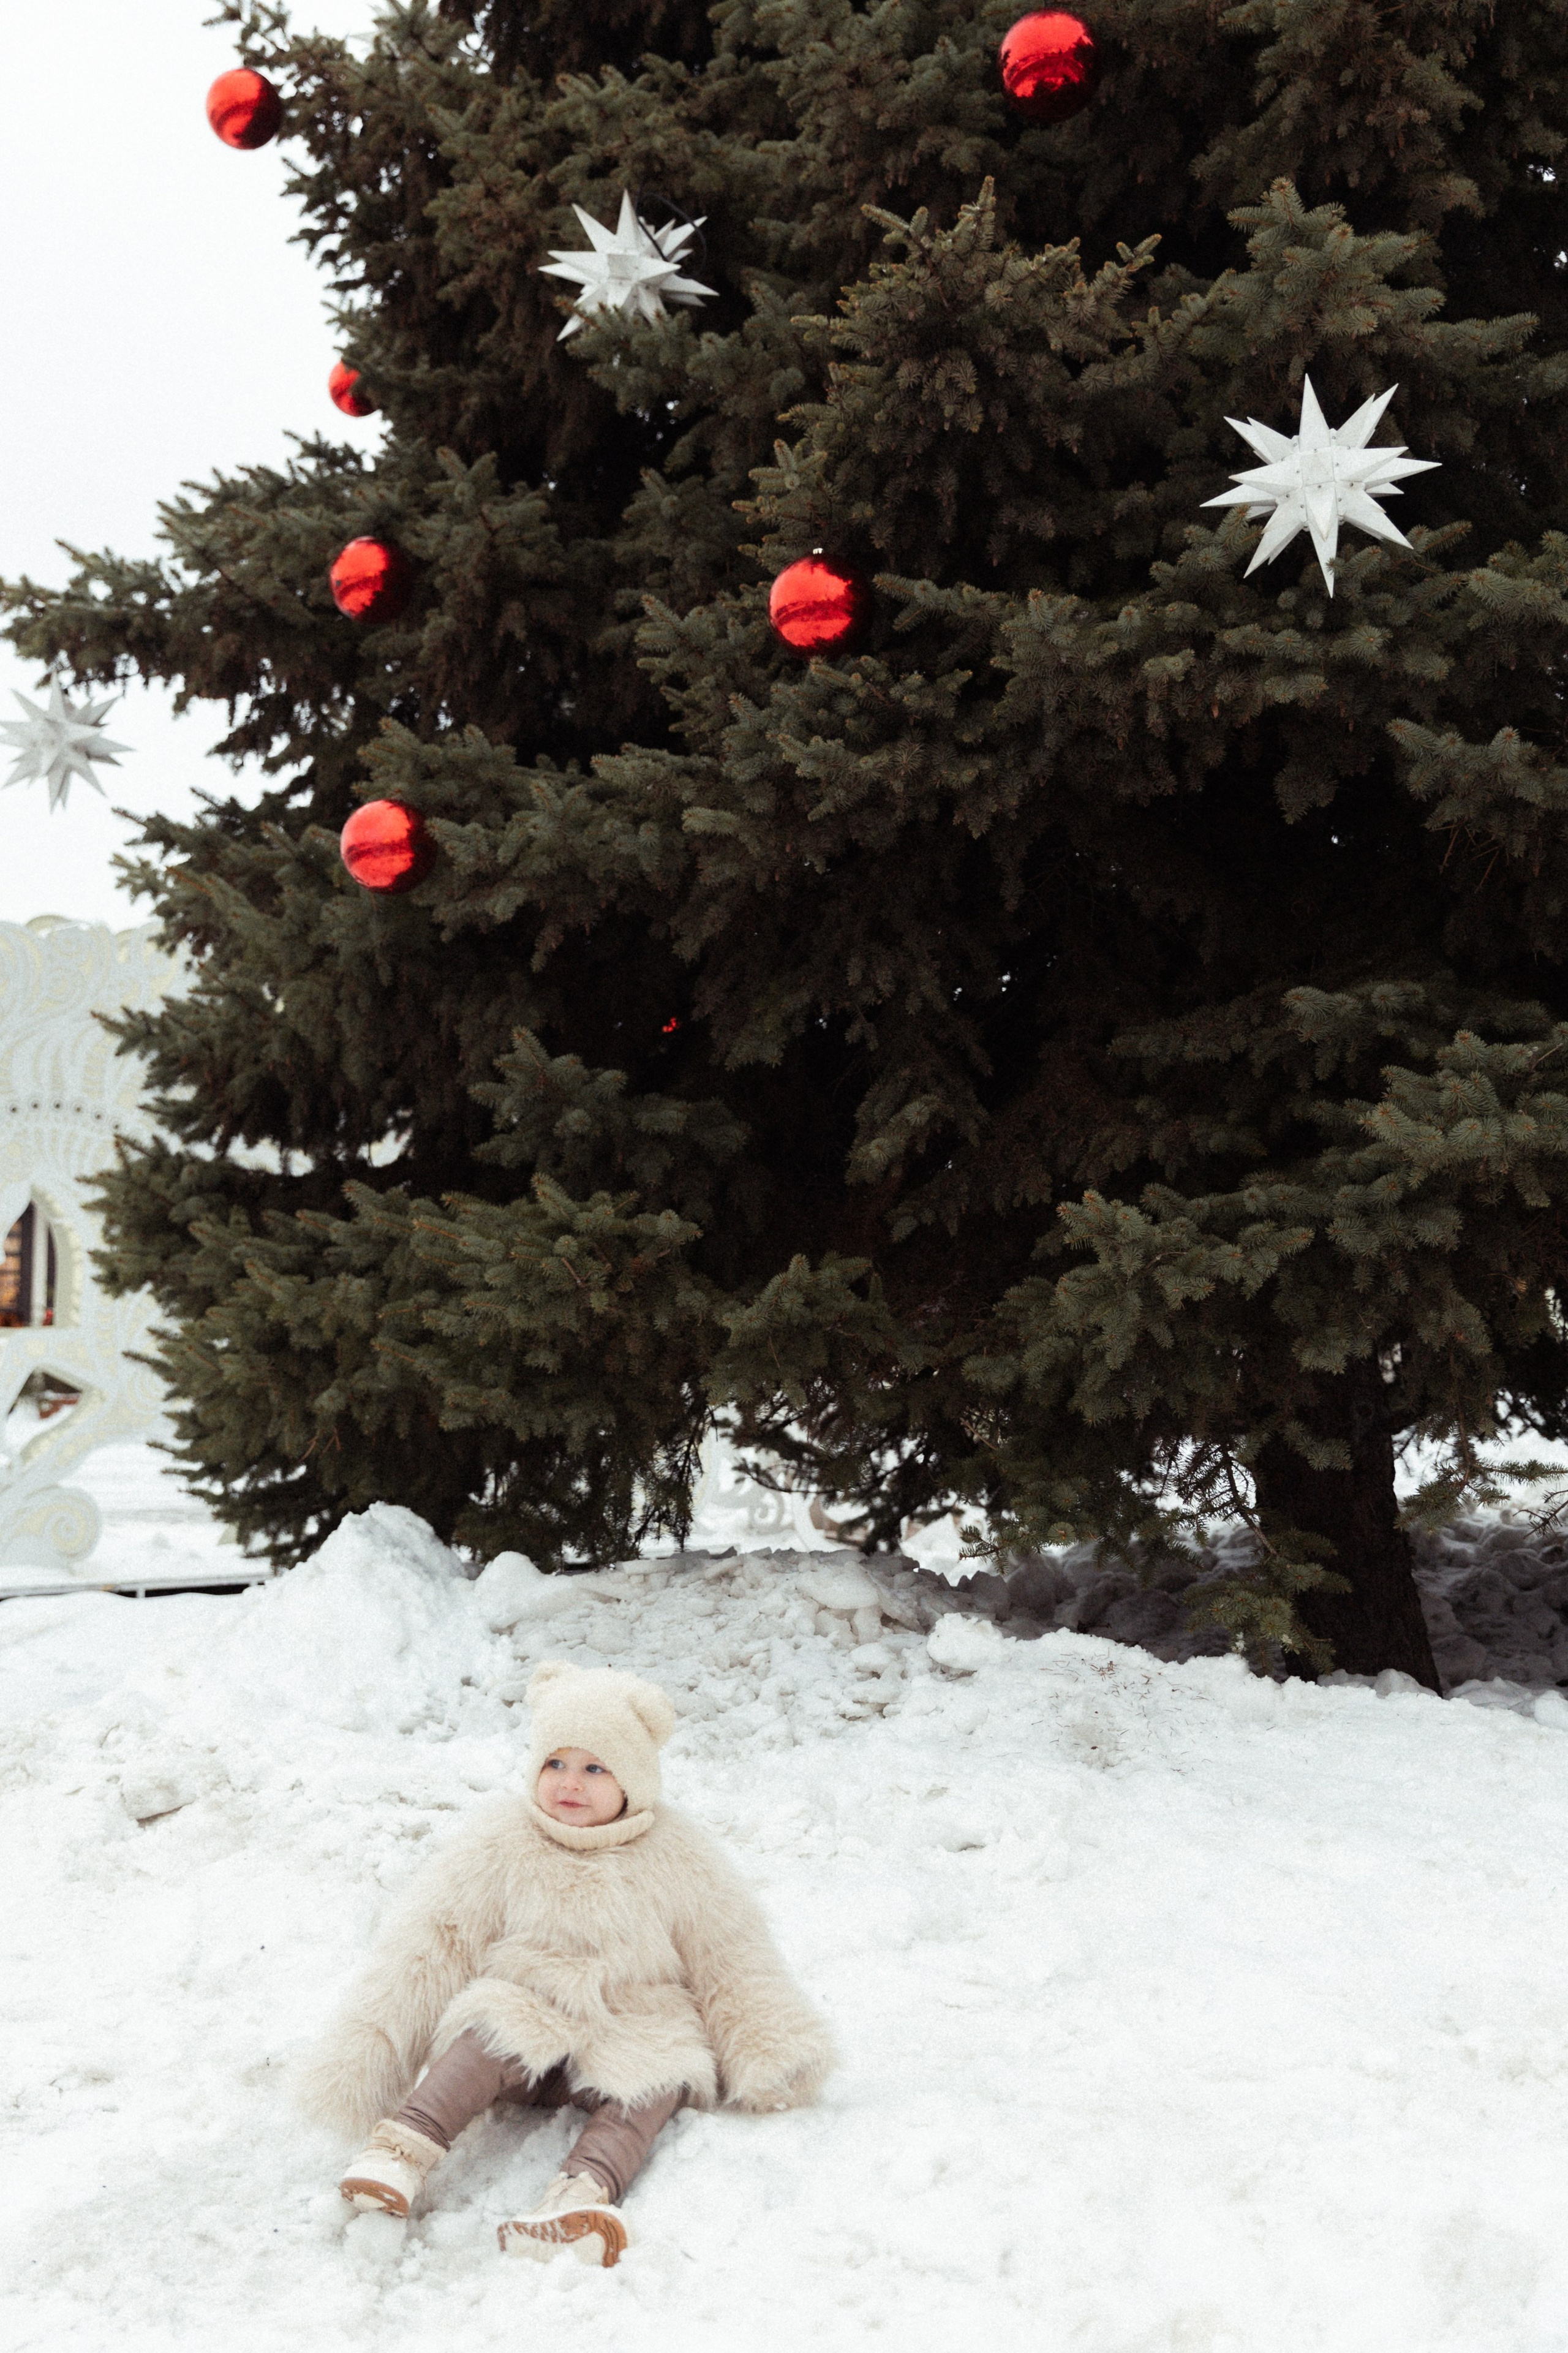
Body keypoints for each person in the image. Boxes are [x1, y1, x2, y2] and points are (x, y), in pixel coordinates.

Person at [298, 1660, 833, 2266]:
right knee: (487, 2029)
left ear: (632, 1778)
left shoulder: (679, 1855)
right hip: (530, 2020)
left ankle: (582, 2194)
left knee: (662, 2073)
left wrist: (773, 2048)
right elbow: (430, 1945)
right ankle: (401, 2148)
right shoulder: (502, 1841)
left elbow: (731, 1954)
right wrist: (365, 2055)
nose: (569, 1782)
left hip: (634, 2027)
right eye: (555, 1762)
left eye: (594, 1767)